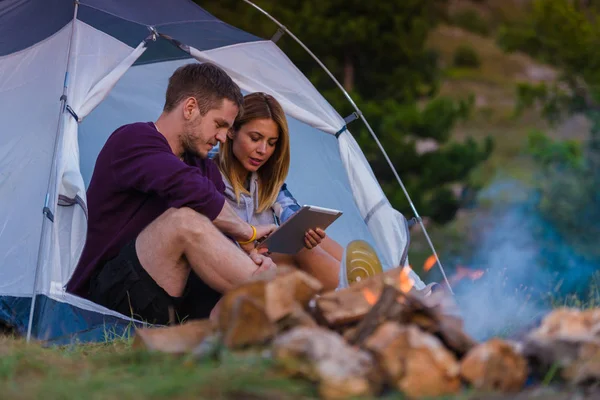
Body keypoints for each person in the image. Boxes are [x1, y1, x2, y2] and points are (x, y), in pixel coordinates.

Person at [66, 63, 279, 325]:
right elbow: (189, 189)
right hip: (103, 294)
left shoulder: (203, 167)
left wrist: (251, 256)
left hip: (169, 297)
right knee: (184, 221)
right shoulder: (133, 140)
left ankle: (251, 321)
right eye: (220, 124)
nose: (223, 137)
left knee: (250, 269)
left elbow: (213, 234)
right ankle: (283, 305)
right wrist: (248, 232)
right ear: (190, 108)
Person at [213, 92, 343, 291]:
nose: (263, 150)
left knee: (311, 238)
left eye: (272, 143)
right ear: (232, 131)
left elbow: (290, 212)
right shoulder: (209, 174)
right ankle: (358, 293)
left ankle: (368, 283)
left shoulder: (266, 180)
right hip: (230, 267)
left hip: (264, 261)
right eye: (255, 138)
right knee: (301, 249)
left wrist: (306, 230)